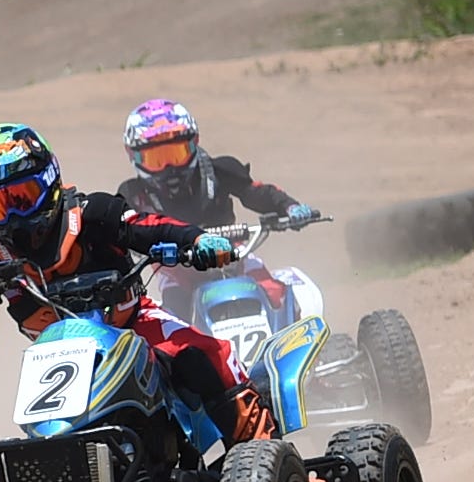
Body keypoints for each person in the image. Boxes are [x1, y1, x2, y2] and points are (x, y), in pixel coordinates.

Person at [0, 122, 279, 444]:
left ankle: (262, 450)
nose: (13, 217)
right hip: (52, 357)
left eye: (22, 198)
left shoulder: (94, 212)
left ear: (49, 181)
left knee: (207, 354)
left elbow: (151, 227)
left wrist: (197, 240)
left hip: (133, 326)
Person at [115, 98, 321, 317]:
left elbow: (256, 193)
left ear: (194, 142)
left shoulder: (220, 170)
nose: (170, 168)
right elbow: (119, 231)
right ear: (133, 155)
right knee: (173, 316)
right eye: (156, 159)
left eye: (177, 154)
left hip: (232, 250)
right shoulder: (132, 194)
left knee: (275, 295)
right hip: (175, 267)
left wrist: (290, 207)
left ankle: (300, 337)